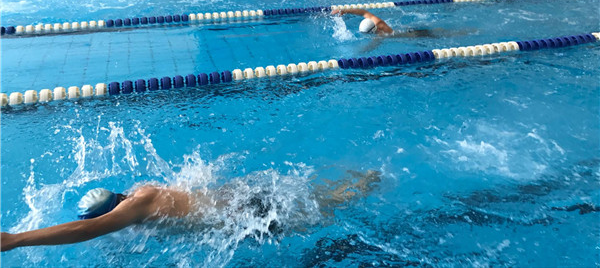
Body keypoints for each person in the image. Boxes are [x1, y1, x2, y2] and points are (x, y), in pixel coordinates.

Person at [1, 171, 380, 251]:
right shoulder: (141, 191)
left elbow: (83, 231)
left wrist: (15, 240)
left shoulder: (135, 208)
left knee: (326, 210)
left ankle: (366, 184)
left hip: (248, 215)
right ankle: (358, 183)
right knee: (320, 199)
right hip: (240, 200)